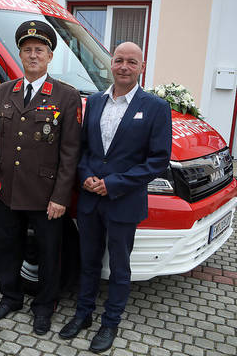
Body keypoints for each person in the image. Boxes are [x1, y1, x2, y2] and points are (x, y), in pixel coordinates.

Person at [60, 42, 171, 353]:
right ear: (111, 64)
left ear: (142, 67)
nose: (124, 66)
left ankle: (110, 322)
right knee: (88, 262)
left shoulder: (156, 107)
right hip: (90, 199)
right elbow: (83, 148)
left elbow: (158, 160)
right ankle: (83, 314)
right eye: (119, 60)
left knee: (120, 267)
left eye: (131, 62)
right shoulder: (95, 101)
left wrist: (113, 183)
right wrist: (85, 175)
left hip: (123, 201)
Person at [0, 20, 81, 335]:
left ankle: (44, 307)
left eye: (39, 50)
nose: (33, 55)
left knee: (49, 254)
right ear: (20, 55)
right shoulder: (4, 91)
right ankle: (10, 297)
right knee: (6, 248)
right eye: (27, 50)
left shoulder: (66, 96)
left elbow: (70, 153)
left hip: (45, 195)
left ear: (50, 56)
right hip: (8, 190)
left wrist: (61, 197)